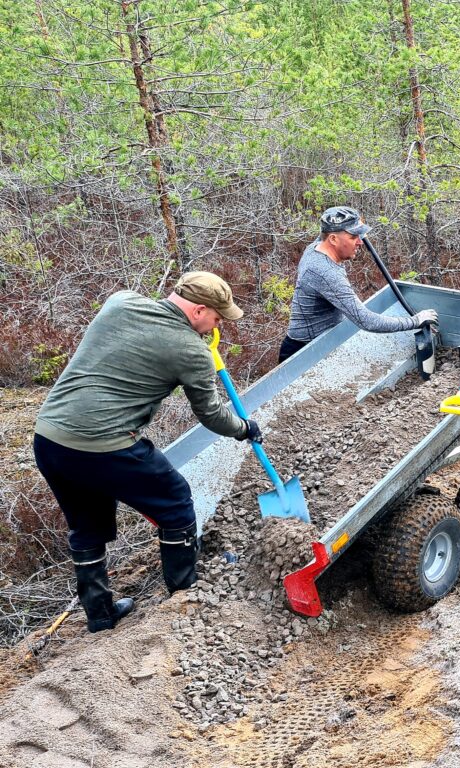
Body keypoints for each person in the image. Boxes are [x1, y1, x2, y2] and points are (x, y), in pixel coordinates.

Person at [33, 272, 261, 632]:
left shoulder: (121, 302)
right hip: (105, 444)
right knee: (174, 500)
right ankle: (185, 594)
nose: (217, 327)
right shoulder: (191, 351)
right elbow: (212, 415)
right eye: (217, 319)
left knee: (86, 527)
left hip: (50, 438)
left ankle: (100, 615)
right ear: (199, 310)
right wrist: (245, 428)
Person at [278, 206, 438, 362]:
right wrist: (415, 321)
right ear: (333, 239)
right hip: (303, 354)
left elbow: (326, 230)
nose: (360, 242)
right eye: (353, 237)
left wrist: (355, 221)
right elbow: (367, 321)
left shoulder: (315, 247)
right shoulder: (325, 273)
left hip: (322, 343)